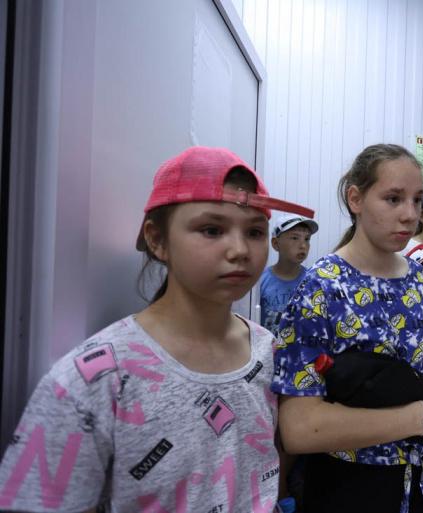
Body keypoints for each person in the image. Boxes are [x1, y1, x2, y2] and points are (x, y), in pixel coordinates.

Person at [0, 146, 313, 512]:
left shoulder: (268, 352)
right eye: (212, 230)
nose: (240, 250)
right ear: (157, 239)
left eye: (255, 231)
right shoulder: (94, 377)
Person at [271, 144, 423, 513]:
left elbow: (405, 376)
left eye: (416, 200)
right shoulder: (322, 287)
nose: (410, 214)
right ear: (356, 199)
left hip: (419, 481)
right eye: (393, 199)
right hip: (347, 487)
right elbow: (299, 428)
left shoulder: (422, 285)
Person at [259, 214, 319, 335]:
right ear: (276, 244)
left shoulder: (313, 281)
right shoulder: (260, 281)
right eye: (295, 238)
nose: (303, 245)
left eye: (307, 239)